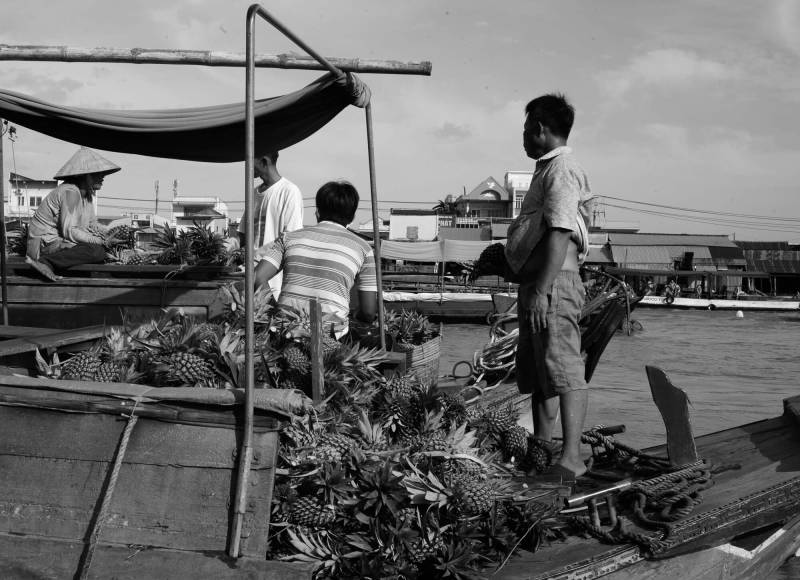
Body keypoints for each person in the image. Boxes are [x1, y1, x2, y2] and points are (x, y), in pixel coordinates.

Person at [505, 93, 593, 483]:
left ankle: (571, 458)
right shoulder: (546, 170)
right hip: (540, 284)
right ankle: (544, 448)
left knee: (564, 368)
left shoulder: (562, 168)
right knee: (542, 374)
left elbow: (559, 230)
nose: (523, 137)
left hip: (554, 285)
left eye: (526, 129)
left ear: (540, 129)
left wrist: (541, 290)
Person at [254, 180, 377, 338]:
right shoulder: (363, 249)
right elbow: (368, 312)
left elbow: (257, 277)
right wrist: (355, 315)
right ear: (352, 217)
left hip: (283, 333)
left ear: (317, 212)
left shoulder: (288, 238)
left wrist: (275, 311)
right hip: (331, 339)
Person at [25, 147, 122, 281]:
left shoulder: (87, 197)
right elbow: (70, 231)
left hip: (61, 243)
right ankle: (45, 262)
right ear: (85, 175)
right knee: (96, 251)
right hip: (45, 245)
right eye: (98, 174)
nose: (103, 177)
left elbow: (92, 223)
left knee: (99, 252)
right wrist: (100, 241)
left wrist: (110, 234)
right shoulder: (70, 192)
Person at [238, 151, 303, 299]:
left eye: (249, 161)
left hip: (271, 284)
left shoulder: (289, 191)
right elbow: (242, 234)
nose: (246, 166)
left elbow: (290, 239)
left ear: (264, 161)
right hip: (247, 279)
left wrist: (256, 258)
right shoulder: (253, 194)